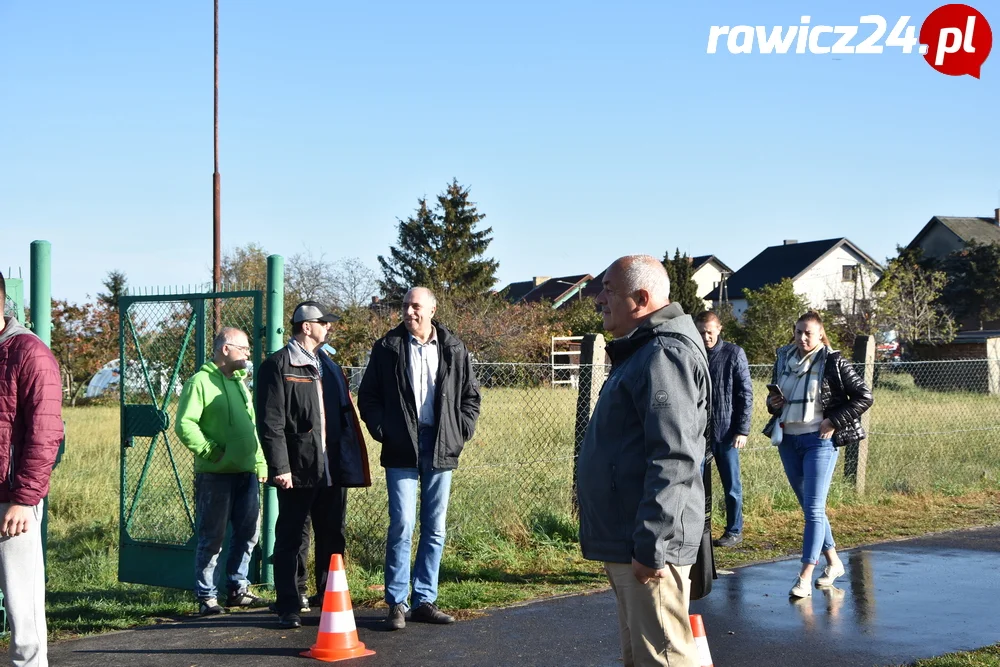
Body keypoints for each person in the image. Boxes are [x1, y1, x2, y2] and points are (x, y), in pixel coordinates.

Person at [577, 256, 710, 667]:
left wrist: (652, 541)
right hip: (630, 535)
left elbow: (674, 456)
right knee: (642, 656)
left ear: (641, 297)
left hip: (648, 542)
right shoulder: (643, 350)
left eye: (608, 290)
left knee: (665, 658)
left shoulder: (663, 354)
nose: (599, 298)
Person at [357, 287, 481, 631]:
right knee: (402, 525)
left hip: (441, 444)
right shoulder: (386, 348)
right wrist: (385, 430)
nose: (409, 312)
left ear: (432, 309)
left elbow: (470, 396)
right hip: (401, 447)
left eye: (416, 306)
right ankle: (397, 602)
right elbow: (368, 397)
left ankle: (425, 600)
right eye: (405, 306)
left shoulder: (453, 347)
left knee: (436, 527)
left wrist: (461, 431)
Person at [256, 301, 371, 629]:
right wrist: (280, 467)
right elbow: (271, 422)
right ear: (306, 327)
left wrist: (349, 463)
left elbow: (344, 417)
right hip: (297, 469)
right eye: (324, 322)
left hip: (331, 470)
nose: (329, 327)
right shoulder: (277, 366)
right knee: (292, 537)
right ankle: (289, 604)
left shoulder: (330, 366)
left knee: (332, 536)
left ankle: (330, 599)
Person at [763, 311, 872, 598]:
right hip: (788, 439)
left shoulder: (832, 361)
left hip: (819, 442)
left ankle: (805, 574)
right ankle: (834, 562)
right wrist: (773, 402)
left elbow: (864, 396)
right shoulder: (784, 358)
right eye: (798, 331)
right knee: (812, 510)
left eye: (808, 333)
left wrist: (834, 420)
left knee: (813, 510)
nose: (802, 338)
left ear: (820, 333)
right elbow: (775, 404)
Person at [175, 327, 268, 615]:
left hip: (247, 472)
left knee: (249, 533)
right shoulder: (199, 382)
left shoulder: (240, 383)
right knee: (212, 536)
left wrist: (260, 461)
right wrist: (211, 451)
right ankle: (207, 596)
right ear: (225, 349)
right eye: (243, 348)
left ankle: (238, 588)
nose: (248, 354)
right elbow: (185, 424)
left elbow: (251, 427)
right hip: (215, 475)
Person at [0, 271, 63, 667]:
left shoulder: (29, 351)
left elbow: (46, 432)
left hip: (12, 499)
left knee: (23, 607)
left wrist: (24, 499)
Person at [693, 310, 753, 547]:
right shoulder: (693, 353)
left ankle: (734, 531)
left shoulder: (734, 354)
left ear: (719, 329)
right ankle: (696, 531)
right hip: (698, 434)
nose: (706, 336)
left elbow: (745, 394)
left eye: (709, 331)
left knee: (732, 487)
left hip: (727, 433)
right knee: (694, 485)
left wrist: (742, 430)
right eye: (701, 332)